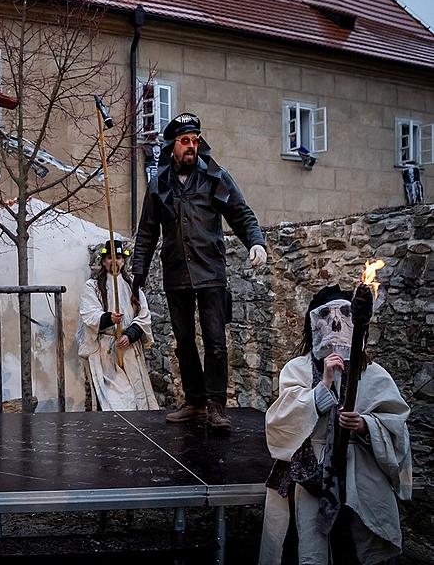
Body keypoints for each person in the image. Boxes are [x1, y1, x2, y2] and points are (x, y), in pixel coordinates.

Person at [130, 112, 267, 431]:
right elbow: (147, 232)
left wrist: (255, 242)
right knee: (184, 341)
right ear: (172, 146)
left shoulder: (215, 177)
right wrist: (138, 274)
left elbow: (241, 213)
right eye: (184, 141)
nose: (191, 146)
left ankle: (216, 406)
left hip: (211, 272)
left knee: (216, 342)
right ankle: (194, 402)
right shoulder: (159, 183)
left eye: (195, 140)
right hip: (176, 273)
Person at [259, 285, 411, 564]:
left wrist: (365, 426)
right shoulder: (298, 369)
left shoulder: (373, 374)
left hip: (358, 475)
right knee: (305, 548)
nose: (336, 324)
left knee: (353, 550)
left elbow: (396, 425)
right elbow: (280, 423)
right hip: (309, 475)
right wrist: (323, 386)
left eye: (344, 315)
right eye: (326, 316)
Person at [77, 240, 158, 411]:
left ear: (123, 261)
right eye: (109, 258)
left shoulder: (133, 287)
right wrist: (107, 318)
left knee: (136, 397)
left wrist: (130, 334)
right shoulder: (92, 287)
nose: (114, 262)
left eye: (118, 257)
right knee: (115, 400)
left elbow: (144, 316)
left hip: (128, 350)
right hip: (105, 351)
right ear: (103, 261)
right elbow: (89, 313)